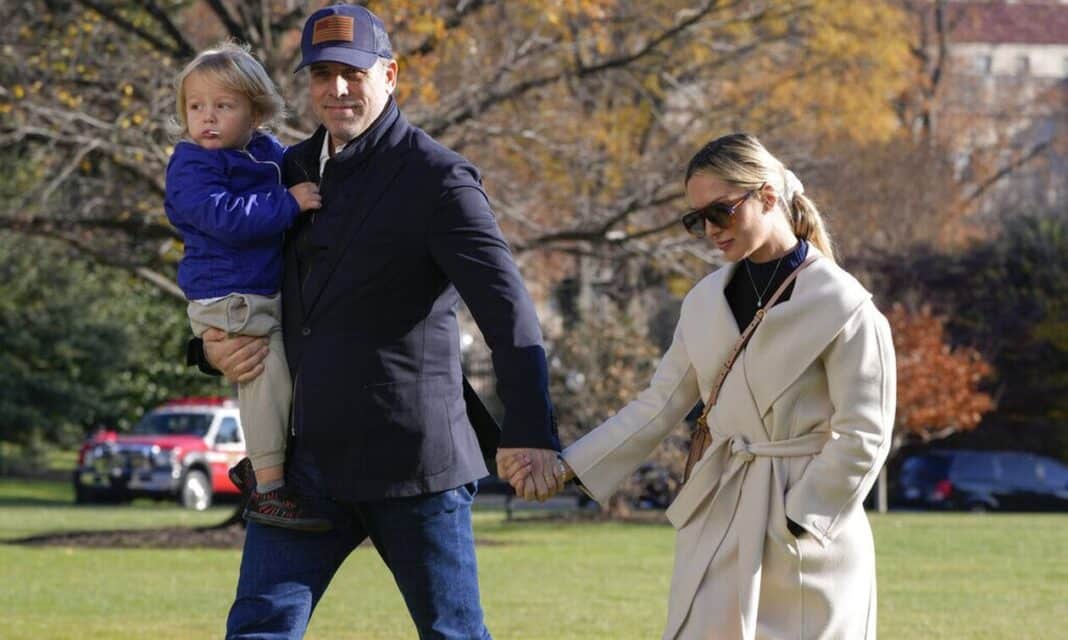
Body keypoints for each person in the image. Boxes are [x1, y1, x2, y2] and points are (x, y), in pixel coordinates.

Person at [189, 5, 561, 638]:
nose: (336, 88)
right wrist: (207, 349)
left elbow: (508, 313)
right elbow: (231, 272)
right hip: (305, 466)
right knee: (256, 629)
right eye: (321, 74)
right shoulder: (285, 171)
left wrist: (530, 429)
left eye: (353, 73)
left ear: (389, 75)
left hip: (416, 465)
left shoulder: (440, 180)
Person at [503, 133, 897, 639]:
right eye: (696, 219)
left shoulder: (844, 305)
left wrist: (802, 519)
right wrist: (567, 468)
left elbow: (865, 432)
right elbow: (657, 406)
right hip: (721, 516)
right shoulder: (705, 301)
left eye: (720, 212)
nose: (710, 230)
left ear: (767, 197)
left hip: (808, 537)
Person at [164, 42, 329, 531]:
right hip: (228, 296)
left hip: (257, 289)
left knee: (284, 380)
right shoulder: (192, 164)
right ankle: (269, 486)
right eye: (196, 106)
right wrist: (288, 204)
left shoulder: (265, 153)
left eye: (223, 105)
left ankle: (264, 467)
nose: (207, 118)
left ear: (255, 113)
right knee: (267, 379)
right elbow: (225, 218)